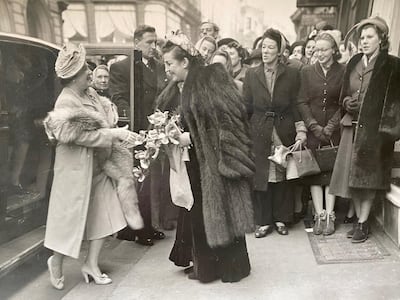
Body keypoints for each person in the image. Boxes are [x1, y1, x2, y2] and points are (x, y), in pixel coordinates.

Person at [44, 44, 142, 289]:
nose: (90, 72)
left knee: (104, 214)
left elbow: (105, 121)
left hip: (99, 164)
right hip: (76, 170)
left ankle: (91, 264)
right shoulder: (65, 100)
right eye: (85, 70)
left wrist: (115, 128)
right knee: (70, 222)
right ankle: (56, 262)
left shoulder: (90, 94)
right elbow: (80, 137)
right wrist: (112, 133)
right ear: (74, 76)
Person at [162, 32, 254, 283]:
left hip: (216, 161)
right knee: (205, 213)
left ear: (185, 62)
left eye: (170, 63)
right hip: (202, 159)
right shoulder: (193, 81)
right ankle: (211, 267)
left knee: (218, 212)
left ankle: (226, 268)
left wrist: (188, 138)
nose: (167, 69)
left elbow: (224, 123)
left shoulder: (207, 80)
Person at [330, 16, 400, 243]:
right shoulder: (354, 62)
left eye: (370, 37)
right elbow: (343, 93)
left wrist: (387, 132)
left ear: (381, 39)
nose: (364, 41)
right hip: (351, 127)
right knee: (353, 177)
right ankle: (360, 219)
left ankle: (363, 222)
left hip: (374, 132)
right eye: (362, 37)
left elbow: (395, 102)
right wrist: (347, 101)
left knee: (368, 179)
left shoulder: (392, 65)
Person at [243, 28, 306, 238]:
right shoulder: (252, 74)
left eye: (271, 47)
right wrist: (245, 132)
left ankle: (281, 218)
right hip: (259, 128)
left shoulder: (292, 74)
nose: (266, 51)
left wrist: (300, 130)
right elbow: (247, 106)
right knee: (261, 175)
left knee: (282, 174)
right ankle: (263, 221)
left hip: (283, 126)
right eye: (263, 47)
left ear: (280, 50)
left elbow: (297, 104)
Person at [109, 25, 167, 246]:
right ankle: (137, 229)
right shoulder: (122, 68)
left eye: (155, 42)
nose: (153, 47)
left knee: (152, 180)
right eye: (148, 43)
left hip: (157, 131)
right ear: (136, 43)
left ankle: (148, 225)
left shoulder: (159, 67)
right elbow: (119, 99)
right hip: (136, 132)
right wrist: (134, 127)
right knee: (137, 180)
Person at [297, 30, 345, 236]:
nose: (320, 54)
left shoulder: (343, 71)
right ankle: (319, 214)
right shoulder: (307, 72)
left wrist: (331, 126)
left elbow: (344, 101)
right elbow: (301, 101)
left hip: (334, 130)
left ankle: (330, 215)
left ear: (334, 50)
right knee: (315, 172)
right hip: (314, 128)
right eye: (317, 50)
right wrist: (313, 126)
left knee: (332, 171)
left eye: (324, 50)